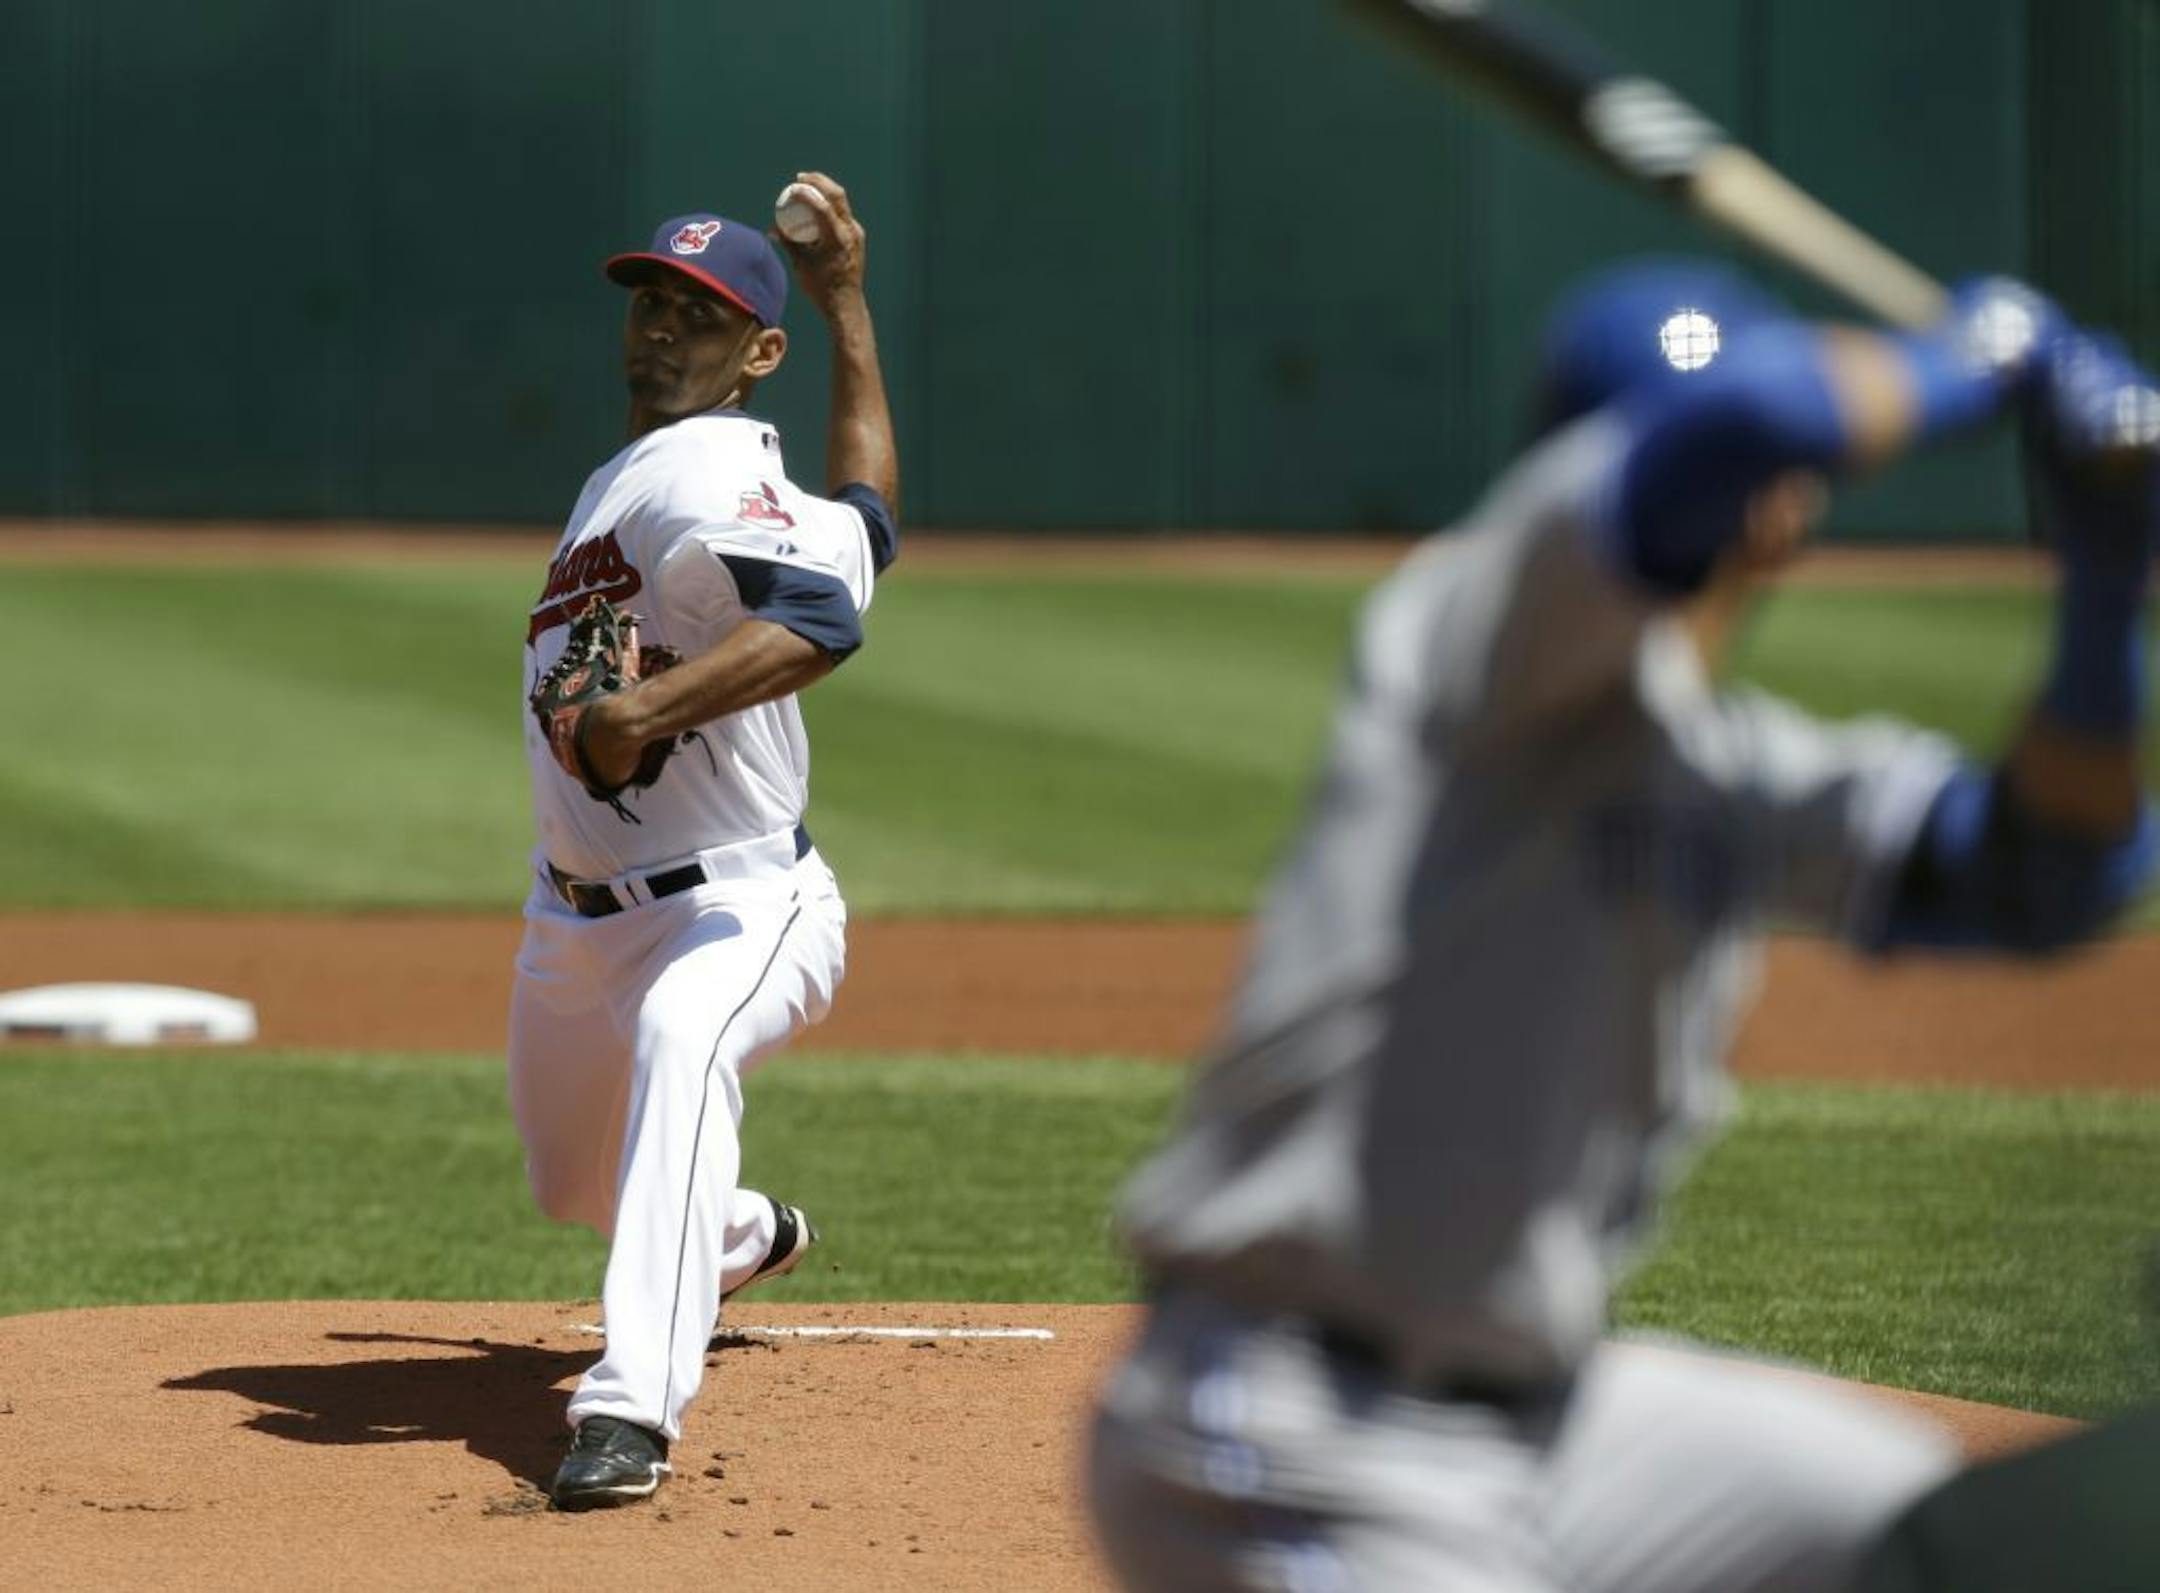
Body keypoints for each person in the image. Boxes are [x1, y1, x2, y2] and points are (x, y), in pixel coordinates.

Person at [1086, 258, 2159, 1592]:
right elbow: (1755, 414)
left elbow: (2054, 871)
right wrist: (1986, 352)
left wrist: (2111, 576)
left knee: (1951, 1539)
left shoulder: (1732, 768)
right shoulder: (1497, 620)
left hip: (1551, 1421)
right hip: (1292, 1417)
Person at [507, 172, 898, 1512]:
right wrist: (849, 301)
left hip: (737, 901)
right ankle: (737, 1231)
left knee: (684, 1038)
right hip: (571, 919)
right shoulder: (633, 475)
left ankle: (628, 1413)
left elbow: (823, 622)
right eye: (655, 302)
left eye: (704, 311)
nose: (665, 327)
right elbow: (869, 527)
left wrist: (639, 716)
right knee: (572, 1180)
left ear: (755, 354)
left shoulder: (717, 464)